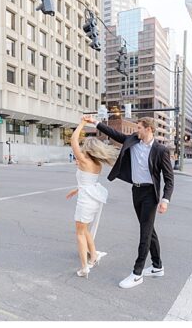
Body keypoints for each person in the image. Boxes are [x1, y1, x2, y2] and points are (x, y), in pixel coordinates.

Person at [85, 115, 174, 289]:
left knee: (144, 233)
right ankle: (157, 266)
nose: (136, 130)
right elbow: (113, 133)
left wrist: (165, 200)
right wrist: (95, 122)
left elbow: (169, 179)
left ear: (148, 129)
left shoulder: (160, 150)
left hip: (150, 193)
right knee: (149, 229)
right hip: (136, 191)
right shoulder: (133, 140)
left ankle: (137, 273)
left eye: (139, 127)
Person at [65, 116, 117, 278]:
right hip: (92, 198)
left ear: (88, 148)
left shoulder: (83, 161)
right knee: (84, 229)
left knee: (79, 233)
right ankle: (93, 255)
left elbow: (73, 140)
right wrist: (76, 190)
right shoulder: (96, 164)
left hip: (86, 201)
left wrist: (82, 123)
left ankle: (84, 267)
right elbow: (88, 182)